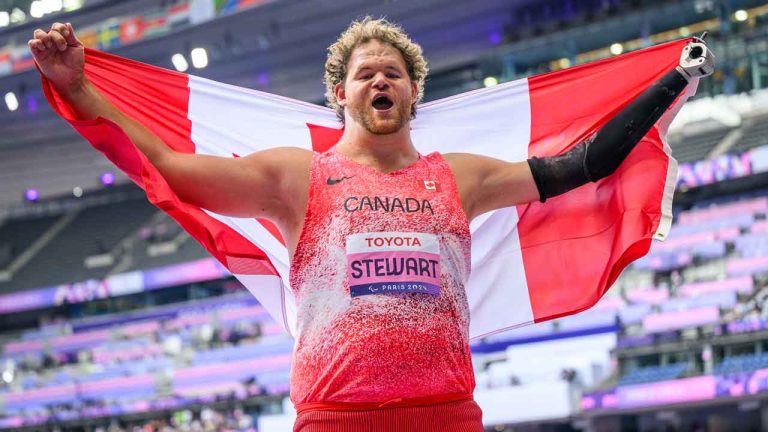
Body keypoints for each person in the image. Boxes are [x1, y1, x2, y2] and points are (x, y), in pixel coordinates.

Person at [29, 16, 713, 432]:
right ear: (342, 93)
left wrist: (671, 84)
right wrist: (80, 89)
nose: (379, 82)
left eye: (392, 73)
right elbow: (172, 169)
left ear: (414, 90)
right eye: (364, 75)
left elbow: (582, 165)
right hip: (334, 417)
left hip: (444, 412)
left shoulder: (462, 176)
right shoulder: (296, 176)